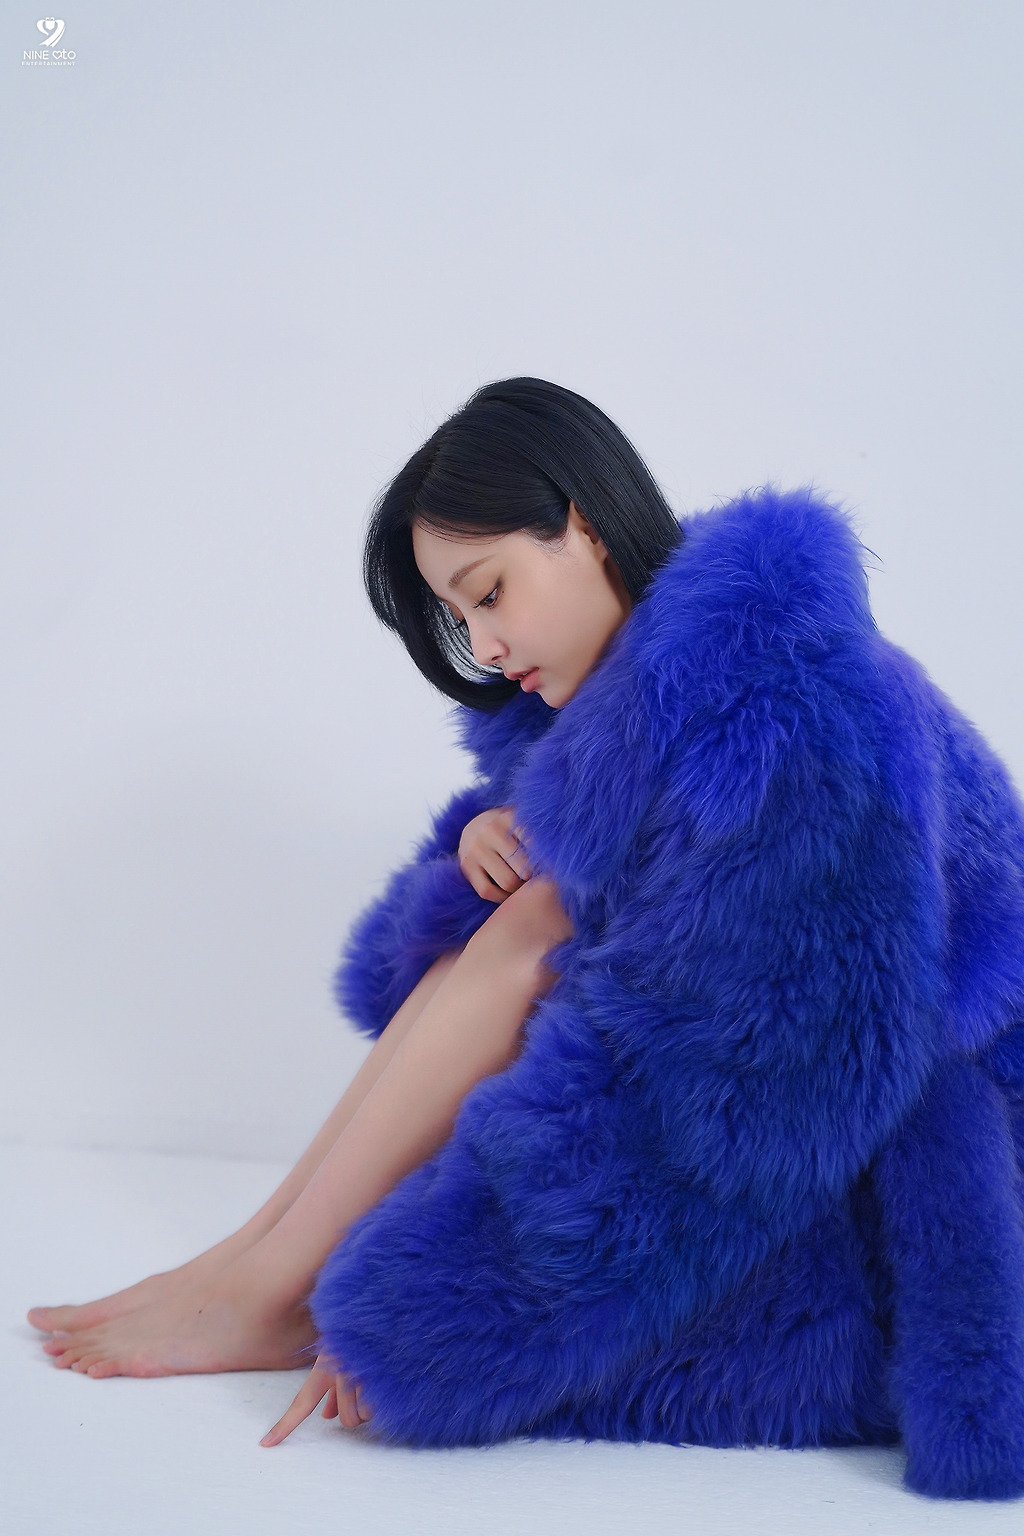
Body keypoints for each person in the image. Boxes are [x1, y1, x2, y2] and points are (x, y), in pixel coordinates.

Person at [27, 376, 682, 1446]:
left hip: (841, 1161)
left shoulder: (784, 695)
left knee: (537, 921)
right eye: (461, 617)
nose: (484, 646)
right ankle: (256, 1260)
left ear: (582, 525)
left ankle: (274, 1284)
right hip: (712, 1101)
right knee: (498, 921)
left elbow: (766, 1055)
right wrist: (489, 841)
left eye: (489, 593)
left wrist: (433, 1282)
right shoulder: (622, 709)